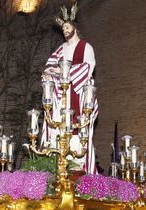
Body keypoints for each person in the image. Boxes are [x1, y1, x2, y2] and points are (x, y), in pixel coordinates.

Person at [43, 4, 99, 174]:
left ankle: (78, 167)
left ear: (74, 27)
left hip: (78, 93)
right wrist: (49, 74)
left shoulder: (85, 47)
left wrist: (65, 71)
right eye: (63, 29)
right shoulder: (61, 49)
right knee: (59, 130)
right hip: (62, 96)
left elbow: (88, 67)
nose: (65, 31)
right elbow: (50, 65)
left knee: (77, 132)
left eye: (67, 27)